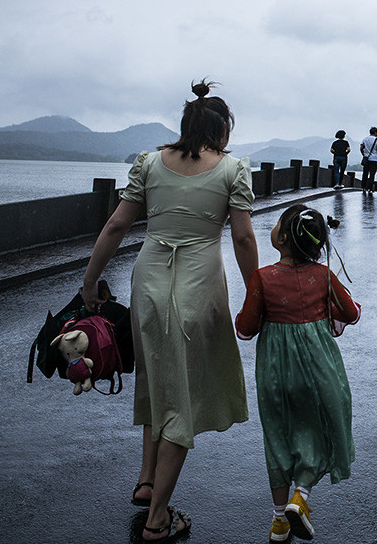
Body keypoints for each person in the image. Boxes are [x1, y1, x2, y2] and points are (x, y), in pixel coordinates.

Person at [81, 80, 258, 542]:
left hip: (150, 282)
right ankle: (158, 519)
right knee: (183, 395)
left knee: (157, 377)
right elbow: (241, 238)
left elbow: (117, 224)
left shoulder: (148, 163)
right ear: (222, 130)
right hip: (199, 286)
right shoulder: (234, 170)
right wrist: (256, 293)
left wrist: (88, 281)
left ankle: (145, 479)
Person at [235, 205, 359, 543]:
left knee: (277, 437)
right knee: (317, 429)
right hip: (317, 371)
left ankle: (278, 522)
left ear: (285, 237)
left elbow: (245, 328)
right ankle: (300, 496)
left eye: (277, 225)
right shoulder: (322, 276)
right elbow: (350, 313)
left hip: (275, 373)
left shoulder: (263, 278)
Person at [360, 127, 377, 194]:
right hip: (374, 159)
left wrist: (364, 154)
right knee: (372, 174)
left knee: (365, 173)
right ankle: (370, 189)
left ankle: (364, 187)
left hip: (366, 159)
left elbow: (361, 148)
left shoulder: (365, 139)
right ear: (376, 132)